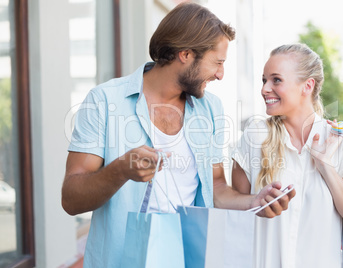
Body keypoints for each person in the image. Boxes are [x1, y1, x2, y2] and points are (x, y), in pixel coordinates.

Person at [61, 3, 295, 267]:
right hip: (122, 260)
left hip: (189, 258)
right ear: (185, 54)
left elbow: (216, 187)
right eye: (217, 63)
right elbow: (71, 199)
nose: (220, 74)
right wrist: (120, 170)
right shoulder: (104, 101)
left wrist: (255, 201)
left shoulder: (211, 108)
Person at [231, 43, 343, 268]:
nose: (265, 88)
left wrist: (326, 166)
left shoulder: (340, 138)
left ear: (307, 86)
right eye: (264, 80)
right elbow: (236, 217)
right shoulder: (255, 136)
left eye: (276, 80)